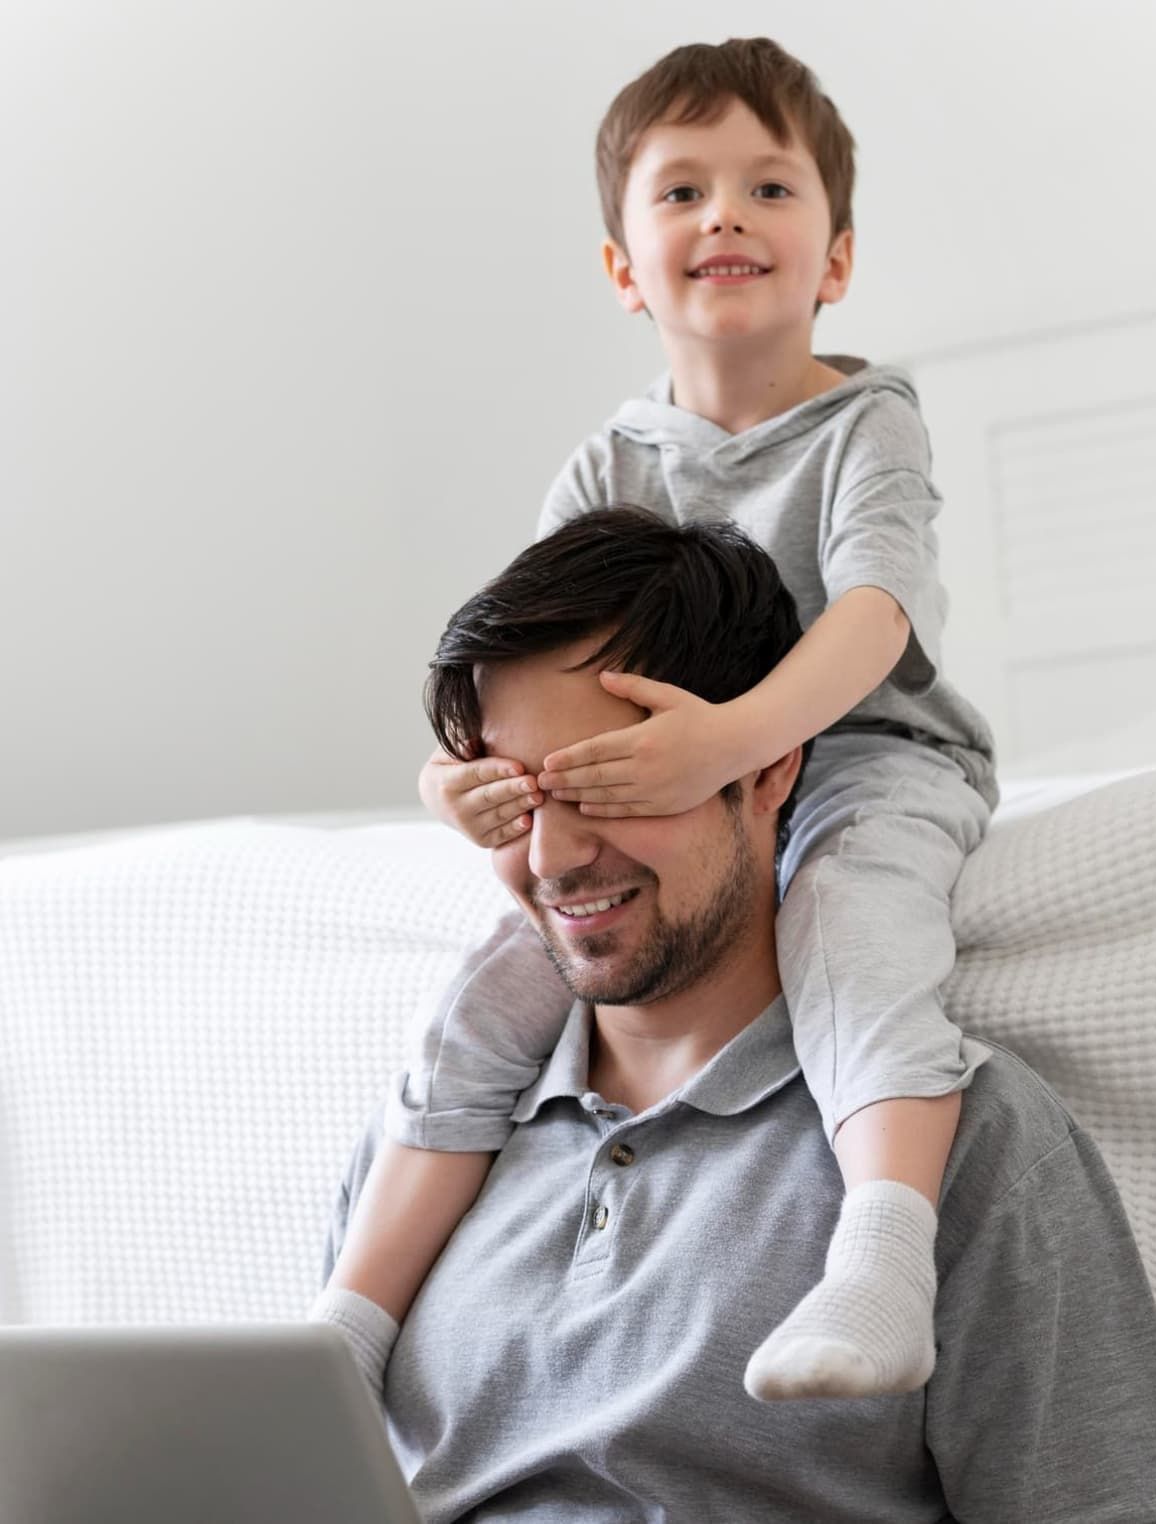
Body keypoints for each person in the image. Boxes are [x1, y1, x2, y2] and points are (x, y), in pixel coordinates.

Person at [312, 36, 1001, 1404]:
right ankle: (348, 1326)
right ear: (626, 268)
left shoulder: (868, 426)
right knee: (493, 994)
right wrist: (463, 778)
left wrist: (737, 739)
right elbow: (519, 661)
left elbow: (872, 619)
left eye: (769, 189)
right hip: (660, 783)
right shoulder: (607, 463)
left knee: (853, 932)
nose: (725, 215)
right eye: (680, 193)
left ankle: (881, 1254)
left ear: (837, 259)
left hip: (865, 755)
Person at [322, 508, 1156, 1522]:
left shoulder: (962, 1141)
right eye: (508, 801)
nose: (551, 857)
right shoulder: (428, 1141)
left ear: (769, 765)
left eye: (610, 783)